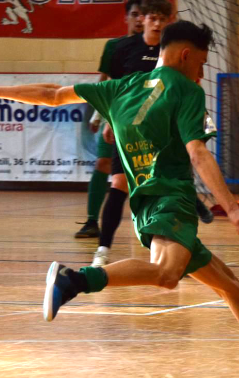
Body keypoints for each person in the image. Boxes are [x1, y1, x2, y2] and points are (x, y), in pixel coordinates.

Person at [0, 20, 239, 378]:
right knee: (167, 275)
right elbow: (198, 153)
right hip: (173, 200)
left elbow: (52, 94)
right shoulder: (186, 91)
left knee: (231, 290)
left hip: (145, 205)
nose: (201, 73)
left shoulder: (120, 87)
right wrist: (233, 209)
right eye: (201, 63)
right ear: (185, 55)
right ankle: (74, 281)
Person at [90, 0, 214, 268]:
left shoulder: (174, 53)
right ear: (142, 19)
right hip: (131, 129)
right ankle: (102, 249)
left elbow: (188, 85)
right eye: (151, 18)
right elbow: (114, 88)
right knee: (119, 183)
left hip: (165, 128)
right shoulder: (123, 48)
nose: (156, 24)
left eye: (162, 19)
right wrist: (107, 118)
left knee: (175, 177)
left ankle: (183, 242)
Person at [75, 0, 145, 239]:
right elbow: (105, 82)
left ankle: (149, 222)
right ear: (126, 18)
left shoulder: (156, 48)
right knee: (103, 164)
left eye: (143, 15)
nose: (139, 19)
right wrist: (98, 115)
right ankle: (91, 221)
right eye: (134, 14)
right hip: (114, 115)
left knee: (140, 172)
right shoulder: (114, 46)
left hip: (145, 119)